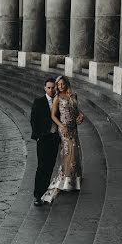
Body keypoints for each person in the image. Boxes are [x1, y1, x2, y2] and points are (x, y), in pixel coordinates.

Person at [41, 75, 85, 204]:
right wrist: (61, 126)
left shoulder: (73, 95)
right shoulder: (57, 98)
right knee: (68, 153)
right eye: (58, 84)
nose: (60, 86)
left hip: (73, 127)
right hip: (64, 129)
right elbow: (53, 116)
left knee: (75, 153)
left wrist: (81, 116)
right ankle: (65, 180)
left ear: (66, 84)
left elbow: (77, 111)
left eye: (62, 84)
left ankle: (74, 180)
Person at [30, 78, 60, 207]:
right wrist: (37, 136)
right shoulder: (39, 102)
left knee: (50, 167)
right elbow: (33, 120)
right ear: (45, 88)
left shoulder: (58, 101)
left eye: (53, 87)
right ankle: (37, 195)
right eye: (49, 87)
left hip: (54, 138)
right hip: (43, 139)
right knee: (41, 167)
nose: (51, 90)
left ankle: (45, 193)